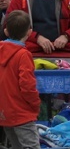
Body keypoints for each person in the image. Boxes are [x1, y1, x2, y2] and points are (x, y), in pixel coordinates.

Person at [0, 10, 41, 149]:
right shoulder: (23, 55)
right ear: (29, 32)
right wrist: (35, 103)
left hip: (4, 111)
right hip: (22, 111)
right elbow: (27, 85)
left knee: (15, 145)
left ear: (6, 31)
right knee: (31, 146)